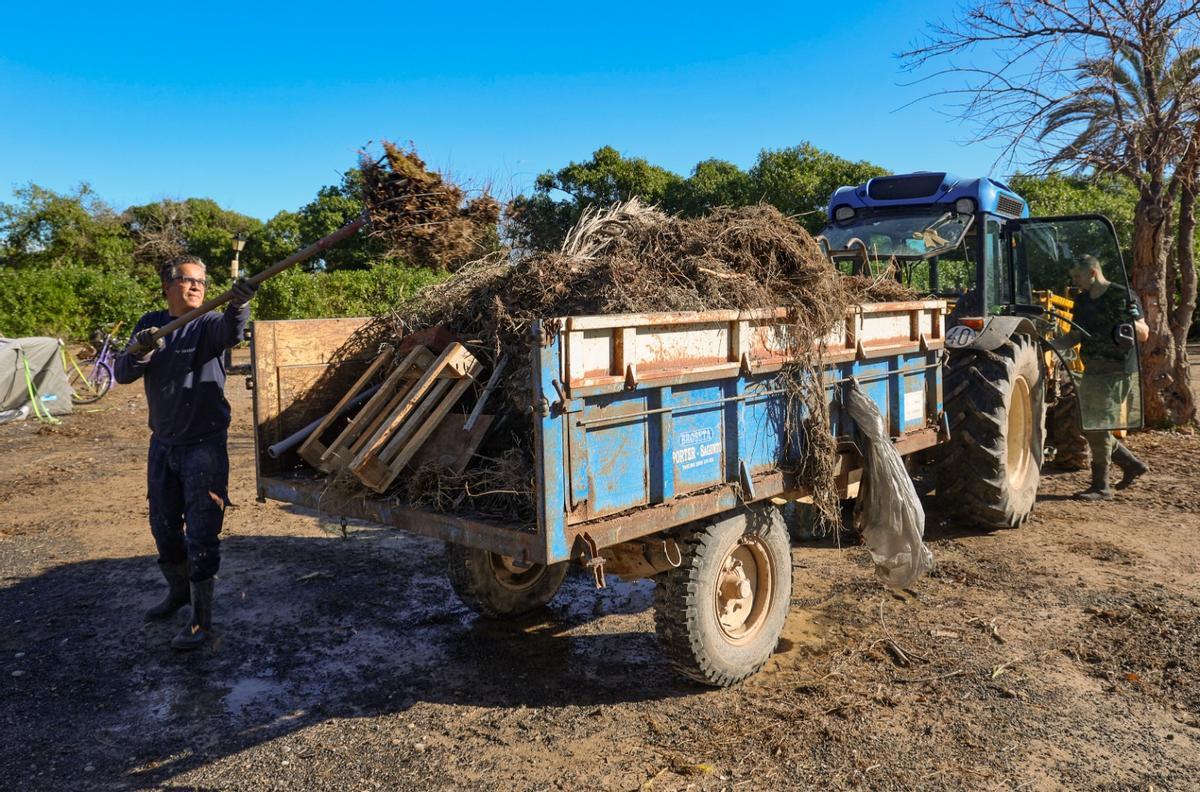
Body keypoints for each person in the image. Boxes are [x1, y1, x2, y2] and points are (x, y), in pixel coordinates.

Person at [114, 254, 257, 650]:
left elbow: (232, 333)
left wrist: (239, 304)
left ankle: (202, 620)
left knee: (203, 532)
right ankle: (178, 593)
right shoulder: (150, 323)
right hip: (163, 442)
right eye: (187, 280)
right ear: (167, 285)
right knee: (163, 527)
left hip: (204, 445)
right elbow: (124, 374)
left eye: (201, 282)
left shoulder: (210, 322)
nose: (196, 287)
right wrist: (141, 350)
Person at [1052, 254, 1150, 500]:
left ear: (1093, 272)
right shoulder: (1083, 301)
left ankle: (1101, 486)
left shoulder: (1121, 295)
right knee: (1084, 424)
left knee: (1100, 423)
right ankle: (1130, 464)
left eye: (1077, 276)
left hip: (1118, 370)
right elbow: (1076, 335)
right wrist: (1049, 345)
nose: (1075, 281)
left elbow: (1144, 333)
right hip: (1092, 368)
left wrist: (1132, 320)